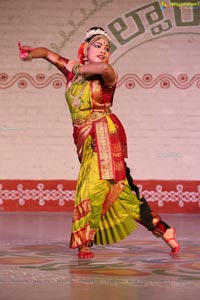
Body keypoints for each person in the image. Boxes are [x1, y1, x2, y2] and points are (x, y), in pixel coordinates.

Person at [18, 26, 180, 259]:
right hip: (84, 136)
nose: (104, 50)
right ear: (85, 48)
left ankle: (85, 241)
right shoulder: (72, 72)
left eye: (107, 47)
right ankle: (164, 230)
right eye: (98, 45)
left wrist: (76, 67)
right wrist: (31, 53)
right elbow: (47, 54)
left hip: (104, 135)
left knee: (92, 186)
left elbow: (103, 67)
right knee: (121, 191)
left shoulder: (107, 74)